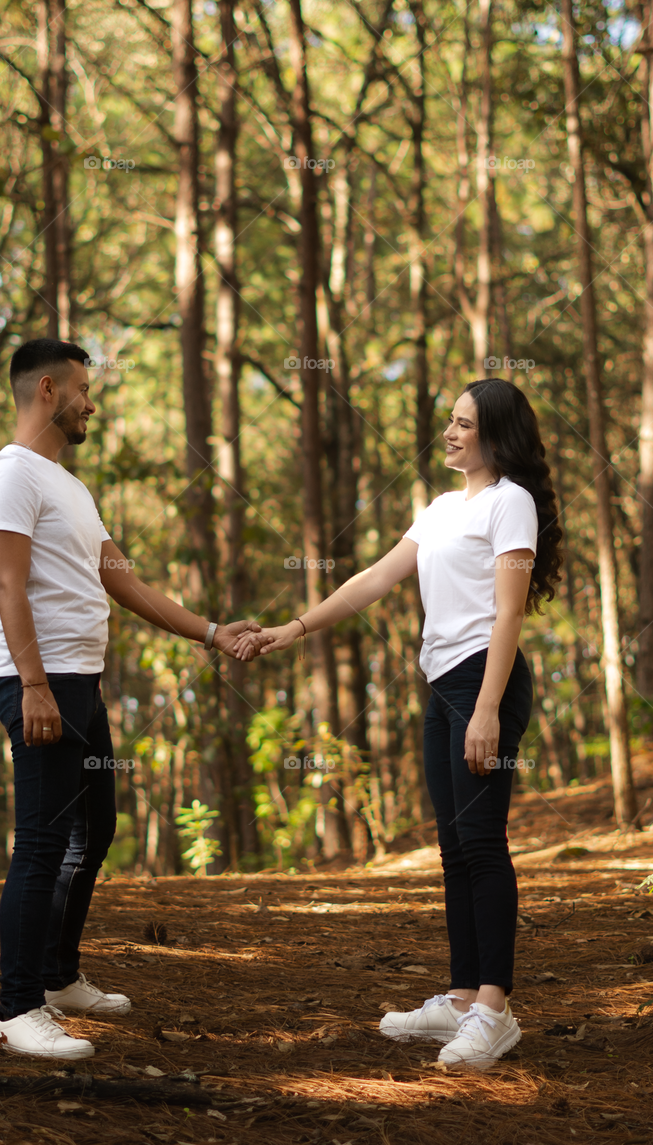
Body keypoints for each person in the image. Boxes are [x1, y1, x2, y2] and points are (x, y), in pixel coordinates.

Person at [236, 378, 562, 1069]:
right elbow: (372, 581)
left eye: (464, 423)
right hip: (441, 684)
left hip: (484, 683)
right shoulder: (441, 509)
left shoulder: (513, 504)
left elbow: (508, 613)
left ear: (496, 435)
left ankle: (494, 1012)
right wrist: (291, 630)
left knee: (481, 843)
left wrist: (485, 711)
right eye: (450, 418)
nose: (449, 431)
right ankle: (462, 996)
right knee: (452, 849)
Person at [0, 339, 258, 1060]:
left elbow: (123, 580)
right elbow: (8, 587)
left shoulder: (70, 486)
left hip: (83, 683)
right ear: (47, 390)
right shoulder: (11, 474)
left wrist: (215, 633)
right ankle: (17, 1010)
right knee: (40, 845)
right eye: (81, 390)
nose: (91, 402)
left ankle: (58, 975)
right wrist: (35, 685)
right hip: (41, 682)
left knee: (92, 831)